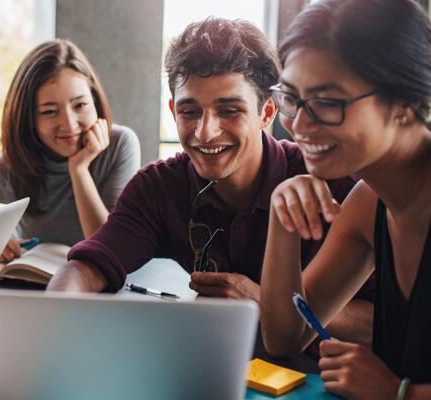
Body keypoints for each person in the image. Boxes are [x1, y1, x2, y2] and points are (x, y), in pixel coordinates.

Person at [48, 18, 373, 344]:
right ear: (174, 110)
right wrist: (53, 322)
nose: (205, 132)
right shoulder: (157, 186)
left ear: (267, 112)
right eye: (190, 112)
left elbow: (386, 323)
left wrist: (263, 301)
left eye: (230, 110)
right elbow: (84, 268)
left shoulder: (336, 184)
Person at [259, 0, 431, 398]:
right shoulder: (369, 202)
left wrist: (398, 393)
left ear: (404, 102)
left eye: (327, 102)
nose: (299, 124)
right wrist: (282, 219)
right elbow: (285, 337)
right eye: (292, 97)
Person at [0, 39, 141, 263]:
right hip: (31, 289)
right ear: (29, 119)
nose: (69, 124)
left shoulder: (120, 144)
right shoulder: (9, 168)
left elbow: (109, 247)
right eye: (49, 112)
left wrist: (79, 169)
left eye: (80, 105)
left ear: (95, 102)